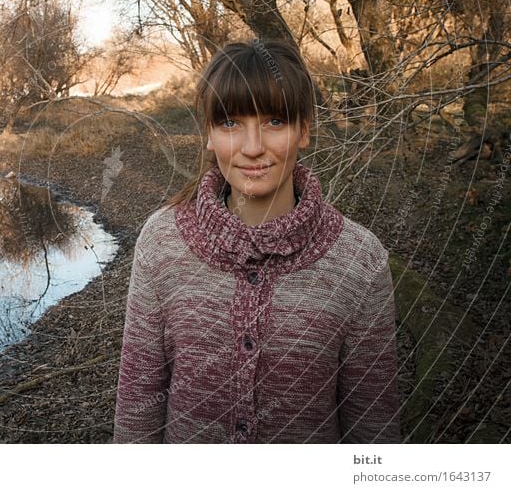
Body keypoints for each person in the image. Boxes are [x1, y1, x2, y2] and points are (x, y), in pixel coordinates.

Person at [113, 39, 402, 443]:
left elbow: (373, 427)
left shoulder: (359, 260)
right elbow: (137, 408)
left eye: (275, 121)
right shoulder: (162, 242)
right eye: (230, 123)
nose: (252, 148)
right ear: (209, 135)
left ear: (304, 129)